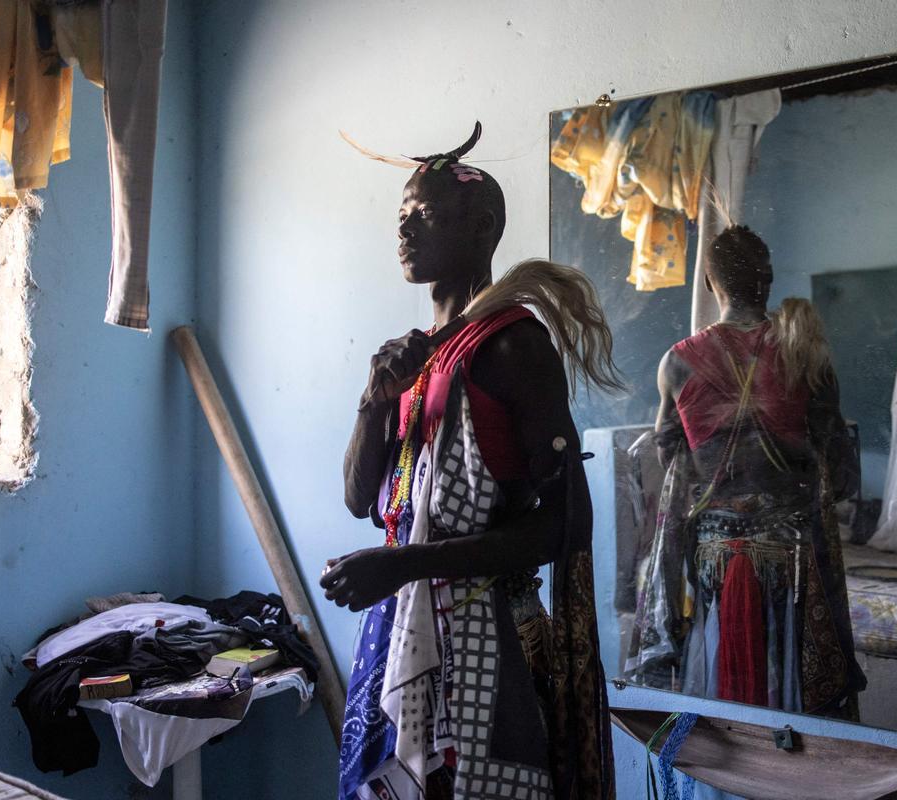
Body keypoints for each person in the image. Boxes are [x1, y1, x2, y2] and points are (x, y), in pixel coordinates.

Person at [322, 124, 616, 800]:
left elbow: (568, 524)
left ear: (482, 228)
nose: (404, 230)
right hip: (397, 631)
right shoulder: (409, 356)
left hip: (492, 644)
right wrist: (372, 403)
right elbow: (359, 501)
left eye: (423, 215)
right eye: (400, 216)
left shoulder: (512, 349)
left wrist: (408, 564)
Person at [625, 224, 864, 718]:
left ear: (712, 286)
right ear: (769, 278)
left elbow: (671, 458)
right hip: (792, 554)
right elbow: (838, 466)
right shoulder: (805, 351)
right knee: (798, 691)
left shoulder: (676, 363)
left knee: (718, 688)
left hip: (715, 553)